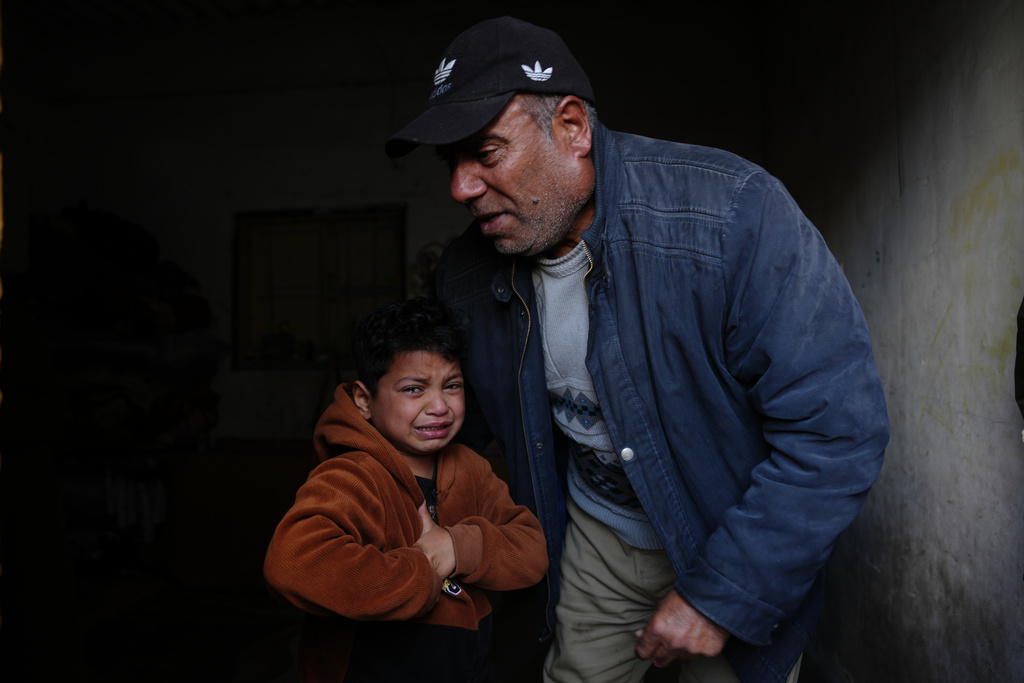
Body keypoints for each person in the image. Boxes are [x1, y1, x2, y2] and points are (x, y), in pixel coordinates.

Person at [385, 16, 891, 683]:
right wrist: (371, 469)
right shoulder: (467, 277)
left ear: (572, 128)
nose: (460, 187)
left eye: (486, 151)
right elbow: (452, 426)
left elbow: (837, 430)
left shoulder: (732, 217)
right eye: (451, 163)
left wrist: (722, 595)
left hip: (728, 537)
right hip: (597, 538)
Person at [263, 296, 548, 682]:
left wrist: (456, 547)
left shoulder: (472, 469)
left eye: (452, 386)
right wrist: (422, 574)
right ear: (365, 400)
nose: (439, 407)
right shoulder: (351, 476)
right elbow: (294, 564)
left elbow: (531, 551)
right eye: (414, 389)